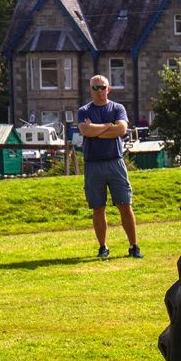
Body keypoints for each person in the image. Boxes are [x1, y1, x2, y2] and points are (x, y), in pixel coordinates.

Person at [79, 75, 140, 258]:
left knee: (125, 205)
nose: (99, 91)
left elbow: (121, 130)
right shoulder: (84, 110)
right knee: (98, 207)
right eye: (95, 88)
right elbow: (85, 131)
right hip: (93, 165)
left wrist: (96, 131)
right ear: (90, 90)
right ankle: (103, 247)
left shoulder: (118, 108)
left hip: (115, 162)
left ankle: (134, 246)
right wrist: (108, 127)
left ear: (108, 89)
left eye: (102, 87)